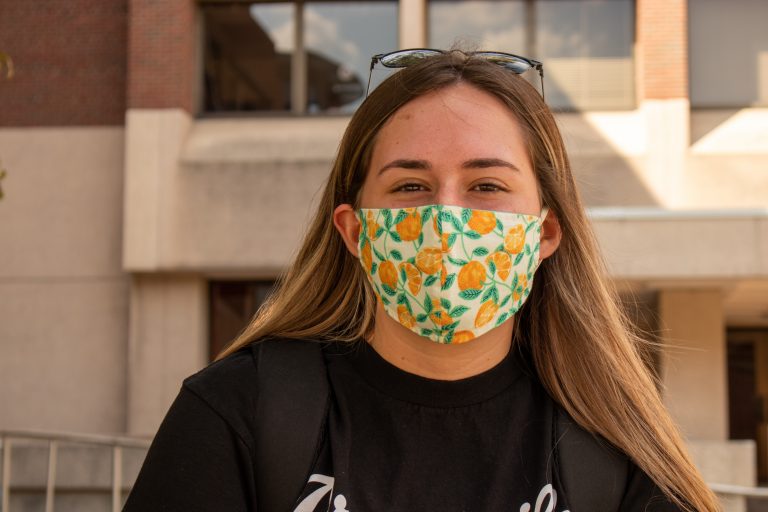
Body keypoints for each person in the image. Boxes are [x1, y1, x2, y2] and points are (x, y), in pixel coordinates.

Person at [123, 49, 720, 512]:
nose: (447, 218)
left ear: (545, 234)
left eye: (487, 186)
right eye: (410, 186)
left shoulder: (615, 447)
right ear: (355, 231)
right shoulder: (238, 412)